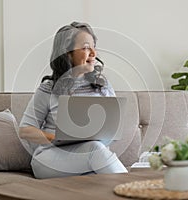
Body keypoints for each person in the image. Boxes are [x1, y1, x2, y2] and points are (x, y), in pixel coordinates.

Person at [19, 21, 128, 179]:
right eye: (85, 47)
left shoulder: (102, 86)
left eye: (93, 46)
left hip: (89, 154)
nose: (93, 53)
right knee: (95, 151)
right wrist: (58, 137)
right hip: (50, 158)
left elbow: (112, 132)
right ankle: (136, 191)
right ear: (67, 53)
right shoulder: (49, 88)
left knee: (95, 151)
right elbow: (25, 130)